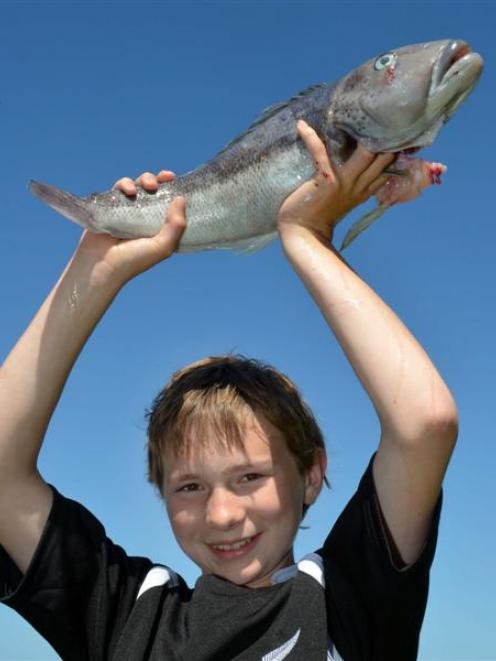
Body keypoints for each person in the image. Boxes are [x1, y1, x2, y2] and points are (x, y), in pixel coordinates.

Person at [0, 121, 457, 660]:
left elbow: (424, 424)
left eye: (249, 476)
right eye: (189, 486)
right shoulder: (130, 614)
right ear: (159, 489)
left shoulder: (350, 597)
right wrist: (93, 272)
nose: (221, 515)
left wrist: (307, 239)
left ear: (311, 475)